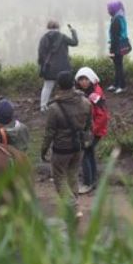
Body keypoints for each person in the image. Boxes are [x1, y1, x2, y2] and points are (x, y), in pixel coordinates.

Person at [41, 71, 92, 215]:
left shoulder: (54, 108)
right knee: (72, 175)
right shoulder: (86, 102)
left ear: (59, 85)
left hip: (61, 149)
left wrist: (43, 150)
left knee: (59, 178)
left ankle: (73, 206)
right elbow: (89, 126)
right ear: (73, 83)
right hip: (78, 147)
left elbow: (49, 133)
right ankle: (73, 204)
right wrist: (86, 141)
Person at [75, 67, 110, 194]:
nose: (83, 82)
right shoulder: (86, 92)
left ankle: (87, 183)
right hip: (90, 130)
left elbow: (103, 116)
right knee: (89, 153)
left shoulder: (94, 95)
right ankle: (94, 180)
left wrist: (92, 131)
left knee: (84, 154)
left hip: (94, 131)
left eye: (86, 79)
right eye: (81, 79)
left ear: (91, 79)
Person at [38, 20, 79, 112]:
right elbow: (75, 42)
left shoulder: (44, 38)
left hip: (49, 68)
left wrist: (42, 66)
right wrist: (73, 31)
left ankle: (43, 106)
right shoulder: (62, 37)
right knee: (67, 86)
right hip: (64, 68)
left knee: (47, 87)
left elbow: (41, 54)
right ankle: (71, 103)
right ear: (58, 27)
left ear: (48, 27)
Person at [107, 1, 130, 94]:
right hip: (121, 45)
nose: (108, 11)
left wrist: (112, 50)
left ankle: (122, 86)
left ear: (113, 9)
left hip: (118, 46)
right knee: (117, 65)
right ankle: (116, 84)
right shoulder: (119, 17)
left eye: (109, 9)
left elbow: (115, 37)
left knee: (118, 66)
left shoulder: (116, 19)